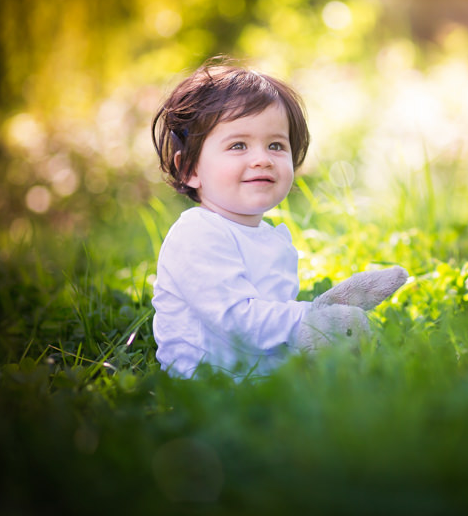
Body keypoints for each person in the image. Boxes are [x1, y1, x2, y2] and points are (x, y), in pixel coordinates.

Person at [150, 60, 407, 378]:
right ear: (190, 169)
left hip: (265, 380)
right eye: (238, 145)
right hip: (209, 383)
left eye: (275, 145)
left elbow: (272, 319)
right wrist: (310, 321)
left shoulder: (270, 237)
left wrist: (320, 317)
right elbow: (236, 319)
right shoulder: (197, 234)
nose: (261, 159)